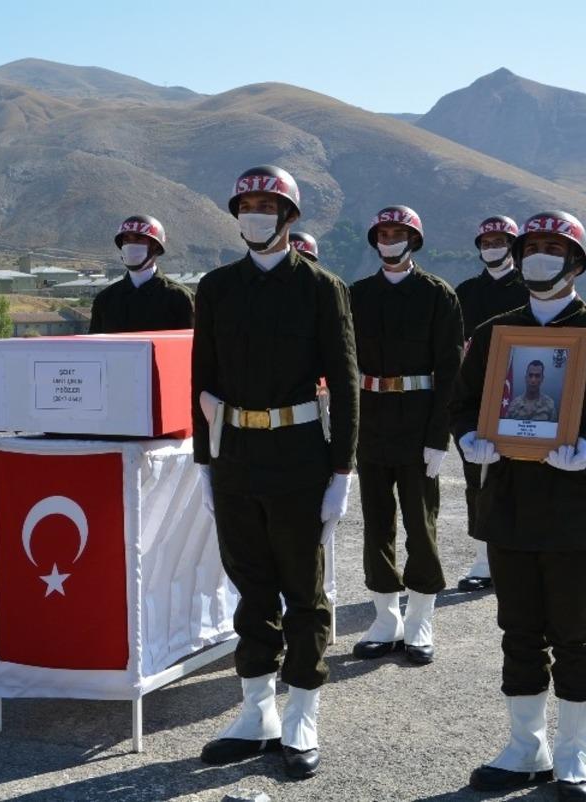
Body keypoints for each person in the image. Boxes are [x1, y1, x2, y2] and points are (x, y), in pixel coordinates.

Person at [452, 210, 586, 801]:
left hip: (575, 506)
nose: (539, 256)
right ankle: (526, 747)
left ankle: (575, 754)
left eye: (553, 247)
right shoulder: (497, 334)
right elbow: (462, 405)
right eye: (532, 247)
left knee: (572, 631)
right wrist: (470, 437)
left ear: (576, 262)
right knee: (518, 628)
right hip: (510, 502)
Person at [192, 165, 359, 780]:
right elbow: (201, 379)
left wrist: (342, 469)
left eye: (267, 205)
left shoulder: (322, 287)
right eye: (247, 205)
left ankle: (301, 715)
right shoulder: (215, 288)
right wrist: (204, 463)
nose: (254, 214)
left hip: (298, 459)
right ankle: (256, 712)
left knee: (304, 593)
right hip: (235, 456)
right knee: (251, 589)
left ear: (289, 218)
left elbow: (344, 383)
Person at [349, 205, 463, 665]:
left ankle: (419, 620)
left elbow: (451, 370)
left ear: (413, 240)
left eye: (398, 233)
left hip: (418, 422)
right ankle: (385, 619)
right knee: (375, 523)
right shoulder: (357, 294)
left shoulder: (438, 295)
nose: (389, 239)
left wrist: (440, 436)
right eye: (383, 232)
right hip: (372, 419)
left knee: (421, 523)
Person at [454, 215, 529, 591]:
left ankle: (520, 555)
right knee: (478, 479)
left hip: (523, 397)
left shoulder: (532, 288)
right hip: (478, 397)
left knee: (522, 476)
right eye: (485, 242)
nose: (492, 247)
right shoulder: (465, 291)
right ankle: (484, 559)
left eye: (499, 241)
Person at [89, 214, 194, 333]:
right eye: (126, 239)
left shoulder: (179, 297)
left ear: (156, 247)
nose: (130, 245)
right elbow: (94, 346)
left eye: (139, 239)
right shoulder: (105, 299)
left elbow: (189, 345)